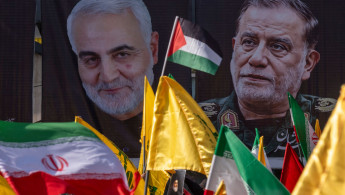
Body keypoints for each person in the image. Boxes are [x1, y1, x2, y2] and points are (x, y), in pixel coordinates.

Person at [199, 0, 336, 177]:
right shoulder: (192, 121)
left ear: (308, 64)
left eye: (278, 46)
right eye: (248, 42)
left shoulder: (336, 122)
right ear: (235, 50)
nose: (256, 59)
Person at [66, 0, 159, 162]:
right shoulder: (54, 138)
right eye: (91, 59)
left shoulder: (191, 129)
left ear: (153, 50)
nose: (108, 76)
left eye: (122, 54)